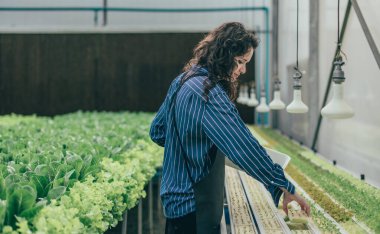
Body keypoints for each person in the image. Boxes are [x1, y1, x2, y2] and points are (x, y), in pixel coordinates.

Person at [150, 22, 310, 234]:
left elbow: (158, 132)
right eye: (240, 62)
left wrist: (193, 145)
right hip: (195, 205)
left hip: (174, 202)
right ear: (222, 55)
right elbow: (243, 146)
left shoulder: (182, 81)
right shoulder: (209, 93)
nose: (243, 70)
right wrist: (285, 187)